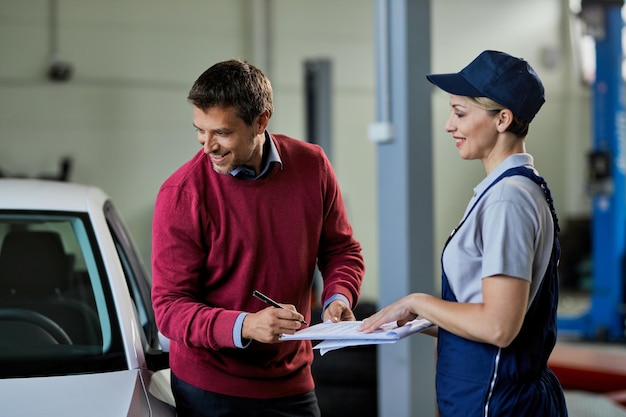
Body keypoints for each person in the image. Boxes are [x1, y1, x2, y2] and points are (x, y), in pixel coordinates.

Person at [359, 50, 568, 416]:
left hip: (497, 402)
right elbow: (489, 322)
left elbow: (500, 327)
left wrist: (418, 302)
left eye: (459, 113)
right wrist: (419, 320)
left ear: (502, 119)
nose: (448, 126)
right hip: (494, 395)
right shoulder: (510, 189)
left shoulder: (508, 199)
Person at [151, 59, 365, 417]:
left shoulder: (313, 166)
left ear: (261, 120)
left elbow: (341, 249)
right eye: (200, 131)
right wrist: (246, 325)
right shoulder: (182, 194)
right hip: (210, 390)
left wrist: (338, 296)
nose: (208, 146)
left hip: (292, 381)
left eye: (221, 132)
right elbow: (170, 308)